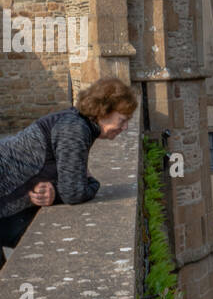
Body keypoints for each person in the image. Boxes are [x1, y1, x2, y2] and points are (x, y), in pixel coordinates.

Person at [0, 77, 138, 261]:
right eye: (122, 119)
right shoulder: (74, 129)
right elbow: (74, 192)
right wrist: (93, 182)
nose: (125, 127)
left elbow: (67, 182)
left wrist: (55, 190)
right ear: (104, 111)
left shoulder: (73, 122)